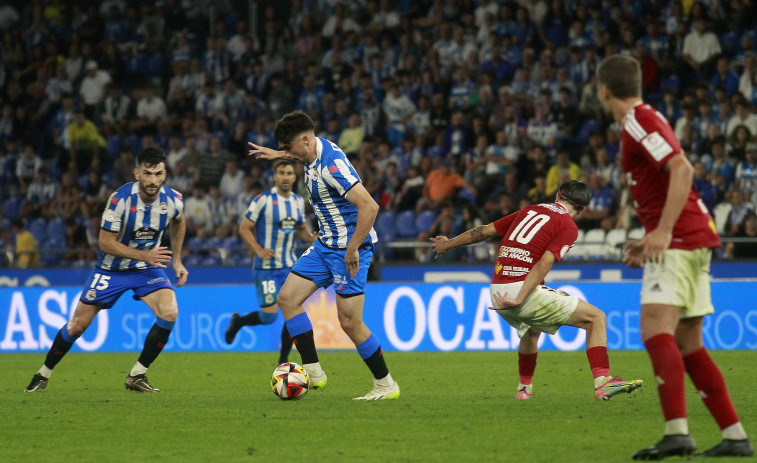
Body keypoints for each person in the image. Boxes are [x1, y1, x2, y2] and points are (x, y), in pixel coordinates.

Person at [596, 54, 753, 459]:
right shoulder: (644, 119)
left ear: (603, 90)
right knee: (688, 344)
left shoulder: (637, 120)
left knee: (654, 331)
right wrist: (651, 236)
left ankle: (677, 432)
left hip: (681, 238)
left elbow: (682, 169)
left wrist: (663, 232)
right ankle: (735, 436)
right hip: (693, 237)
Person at [431, 180, 643, 401]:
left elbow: (484, 231)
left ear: (558, 195)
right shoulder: (568, 225)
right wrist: (521, 296)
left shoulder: (529, 210)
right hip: (518, 292)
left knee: (532, 331)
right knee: (596, 318)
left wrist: (448, 244)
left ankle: (524, 389)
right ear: (581, 209)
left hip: (497, 288)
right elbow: (544, 263)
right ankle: (603, 382)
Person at [248, 110, 399, 400]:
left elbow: (370, 207)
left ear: (305, 140)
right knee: (287, 299)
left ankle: (385, 384)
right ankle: (314, 371)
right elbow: (300, 154)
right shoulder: (312, 151)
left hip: (348, 250)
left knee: (350, 323)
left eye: (289, 148)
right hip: (324, 245)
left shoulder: (333, 167)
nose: (288, 155)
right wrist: (279, 153)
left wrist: (353, 247)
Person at [24, 147, 188, 393]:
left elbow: (180, 221)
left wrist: (177, 260)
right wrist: (146, 255)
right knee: (77, 325)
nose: (153, 180)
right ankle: (43, 374)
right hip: (110, 270)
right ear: (137, 174)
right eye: (147, 173)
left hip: (146, 268)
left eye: (158, 173)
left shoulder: (174, 199)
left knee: (170, 312)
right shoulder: (120, 199)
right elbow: (105, 243)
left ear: (165, 174)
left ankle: (137, 375)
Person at [224, 159, 317, 366]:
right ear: (275, 176)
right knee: (270, 317)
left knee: (293, 311)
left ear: (295, 177)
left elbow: (300, 228)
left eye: (289, 173)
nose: (285, 177)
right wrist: (257, 249)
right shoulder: (263, 200)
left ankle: (283, 359)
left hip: (289, 267)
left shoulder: (297, 202)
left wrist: (311, 237)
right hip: (265, 268)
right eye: (282, 173)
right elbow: (244, 227)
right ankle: (238, 322)